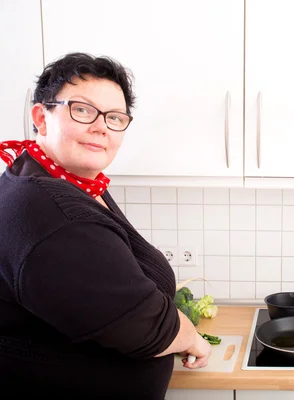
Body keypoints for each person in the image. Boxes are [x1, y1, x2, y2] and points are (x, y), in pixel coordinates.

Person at [0, 52, 212, 399]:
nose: (101, 127)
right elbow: (139, 325)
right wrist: (189, 336)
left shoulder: (69, 182)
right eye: (82, 110)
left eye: (114, 117)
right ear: (41, 117)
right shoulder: (50, 212)